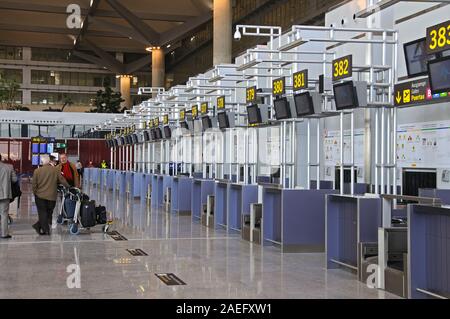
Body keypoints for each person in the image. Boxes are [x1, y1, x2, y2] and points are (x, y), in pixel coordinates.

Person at [32, 155, 69, 235]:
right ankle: (43, 227)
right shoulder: (55, 170)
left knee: (43, 213)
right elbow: (62, 180)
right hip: (52, 196)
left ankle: (45, 229)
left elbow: (34, 185)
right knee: (49, 213)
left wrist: (35, 193)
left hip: (40, 196)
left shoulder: (37, 171)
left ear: (42, 162)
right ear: (49, 161)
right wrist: (68, 187)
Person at [0, 155, 18, 239]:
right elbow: (15, 180)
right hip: (4, 194)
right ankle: (4, 234)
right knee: (4, 214)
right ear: (1, 159)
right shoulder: (9, 167)